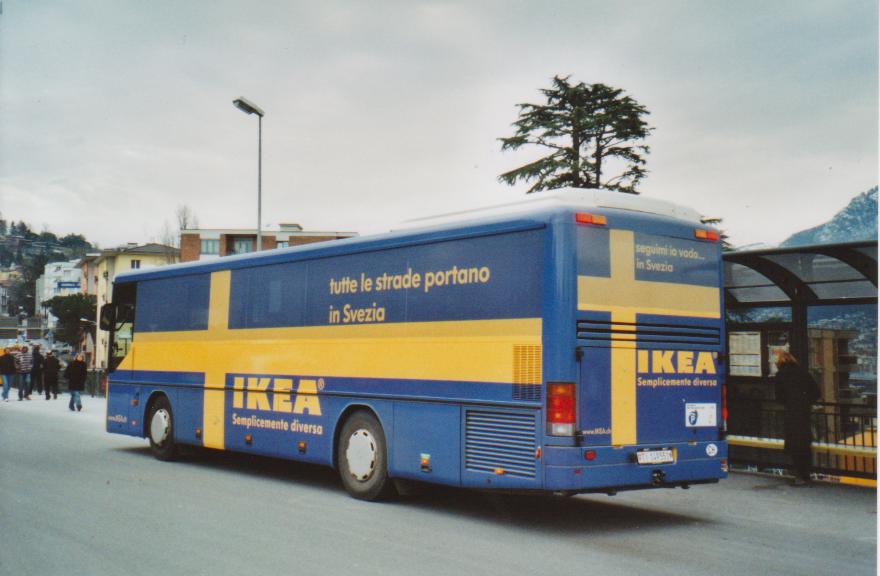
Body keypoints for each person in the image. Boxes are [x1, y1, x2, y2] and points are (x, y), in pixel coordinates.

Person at [774, 351, 820, 486]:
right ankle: (806, 474)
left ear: (779, 363)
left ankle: (799, 475)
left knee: (794, 444)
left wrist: (789, 402)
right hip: (804, 412)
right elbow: (816, 392)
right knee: (805, 442)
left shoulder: (780, 375)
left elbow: (779, 397)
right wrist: (806, 402)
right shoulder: (803, 373)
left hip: (791, 413)